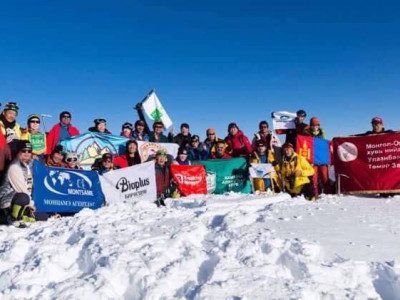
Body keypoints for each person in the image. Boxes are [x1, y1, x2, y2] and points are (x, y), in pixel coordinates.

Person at [0, 141, 40, 226]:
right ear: (18, 152)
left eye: (29, 151)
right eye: (23, 151)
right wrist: (31, 205)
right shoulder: (14, 166)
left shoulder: (29, 165)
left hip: (24, 201)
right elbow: (21, 189)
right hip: (8, 201)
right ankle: (12, 217)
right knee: (23, 197)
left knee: (44, 216)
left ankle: (24, 215)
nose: (26, 153)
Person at [302, 117, 331, 196]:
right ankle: (315, 193)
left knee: (324, 176)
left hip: (322, 159)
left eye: (317, 125)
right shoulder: (306, 133)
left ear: (319, 125)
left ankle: (327, 193)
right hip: (313, 159)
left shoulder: (322, 133)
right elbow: (304, 145)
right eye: (313, 125)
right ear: (311, 125)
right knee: (314, 178)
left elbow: (324, 145)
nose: (315, 127)